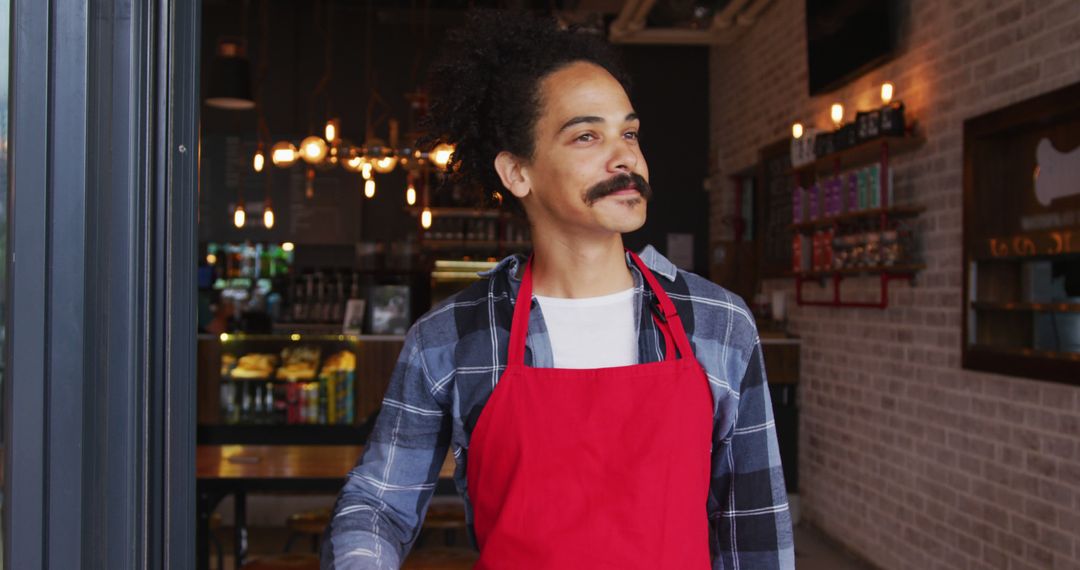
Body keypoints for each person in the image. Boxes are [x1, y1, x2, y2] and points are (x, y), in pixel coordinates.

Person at [323, 10, 793, 570]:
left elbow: (754, 531)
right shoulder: (451, 337)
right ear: (517, 172)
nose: (626, 157)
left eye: (630, 133)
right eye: (587, 136)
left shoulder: (719, 323)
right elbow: (378, 506)